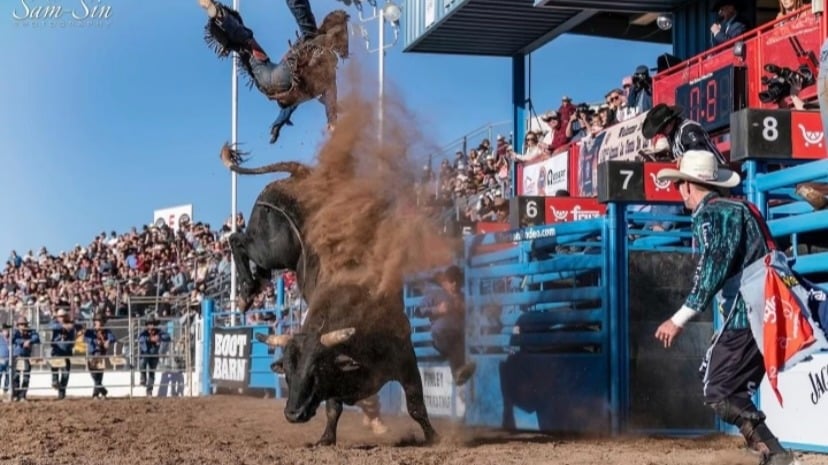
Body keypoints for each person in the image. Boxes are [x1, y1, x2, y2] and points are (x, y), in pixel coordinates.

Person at [654, 150, 797, 465]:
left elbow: (713, 265)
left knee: (718, 388)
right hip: (764, 308)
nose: (679, 192)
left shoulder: (714, 213)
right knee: (724, 386)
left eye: (679, 185)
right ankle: (772, 453)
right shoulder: (736, 208)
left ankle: (776, 454)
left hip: (747, 313)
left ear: (687, 186)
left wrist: (679, 318)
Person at [198, 0, 348, 144]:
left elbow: (295, 98)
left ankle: (218, 14)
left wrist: (280, 121)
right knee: (309, 38)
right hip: (279, 82)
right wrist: (332, 120)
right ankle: (219, 15)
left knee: (310, 39)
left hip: (274, 87)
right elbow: (234, 28)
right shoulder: (326, 69)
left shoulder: (321, 61)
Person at [416, 265, 477, 386]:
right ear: (446, 282)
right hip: (440, 336)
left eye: (457, 281)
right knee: (451, 339)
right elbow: (418, 311)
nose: (454, 284)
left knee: (460, 339)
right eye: (451, 281)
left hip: (458, 335)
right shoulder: (435, 294)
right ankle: (458, 373)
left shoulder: (463, 297)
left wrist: (464, 309)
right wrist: (437, 310)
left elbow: (473, 315)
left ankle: (461, 372)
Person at [641, 103, 728, 166]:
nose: (661, 133)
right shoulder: (672, 136)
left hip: (717, 173)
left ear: (670, 122)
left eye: (661, 129)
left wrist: (684, 159)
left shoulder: (688, 129)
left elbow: (701, 155)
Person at [49, 309, 82, 399]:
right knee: (54, 368)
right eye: (60, 316)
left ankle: (62, 393)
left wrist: (73, 323)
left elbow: (80, 327)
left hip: (67, 351)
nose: (62, 318)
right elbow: (51, 326)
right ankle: (55, 381)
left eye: (63, 316)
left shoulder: (71, 324)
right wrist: (64, 325)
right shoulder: (55, 323)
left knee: (65, 373)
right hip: (57, 351)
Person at [137, 315, 171, 397]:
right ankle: (143, 378)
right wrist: (150, 339)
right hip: (145, 353)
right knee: (142, 364)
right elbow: (140, 338)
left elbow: (168, 337)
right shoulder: (144, 332)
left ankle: (149, 391)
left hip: (154, 354)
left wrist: (159, 337)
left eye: (153, 324)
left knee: (152, 373)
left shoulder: (159, 332)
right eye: (150, 324)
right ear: (147, 325)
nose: (152, 326)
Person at [84, 313, 116, 399]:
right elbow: (87, 339)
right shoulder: (90, 331)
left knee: (99, 375)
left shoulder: (106, 331)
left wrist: (108, 341)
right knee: (94, 375)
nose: (99, 323)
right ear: (94, 322)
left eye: (101, 321)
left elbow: (113, 338)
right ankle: (103, 391)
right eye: (98, 321)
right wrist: (96, 342)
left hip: (101, 355)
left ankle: (96, 394)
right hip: (92, 354)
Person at [11, 316, 40, 402]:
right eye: (21, 324)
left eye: (24, 324)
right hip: (16, 357)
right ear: (18, 325)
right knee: (15, 376)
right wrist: (24, 342)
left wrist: (29, 341)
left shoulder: (31, 332)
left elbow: (37, 338)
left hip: (26, 356)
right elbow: (13, 339)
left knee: (26, 377)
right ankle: (15, 395)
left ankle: (22, 395)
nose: (23, 326)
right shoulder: (15, 332)